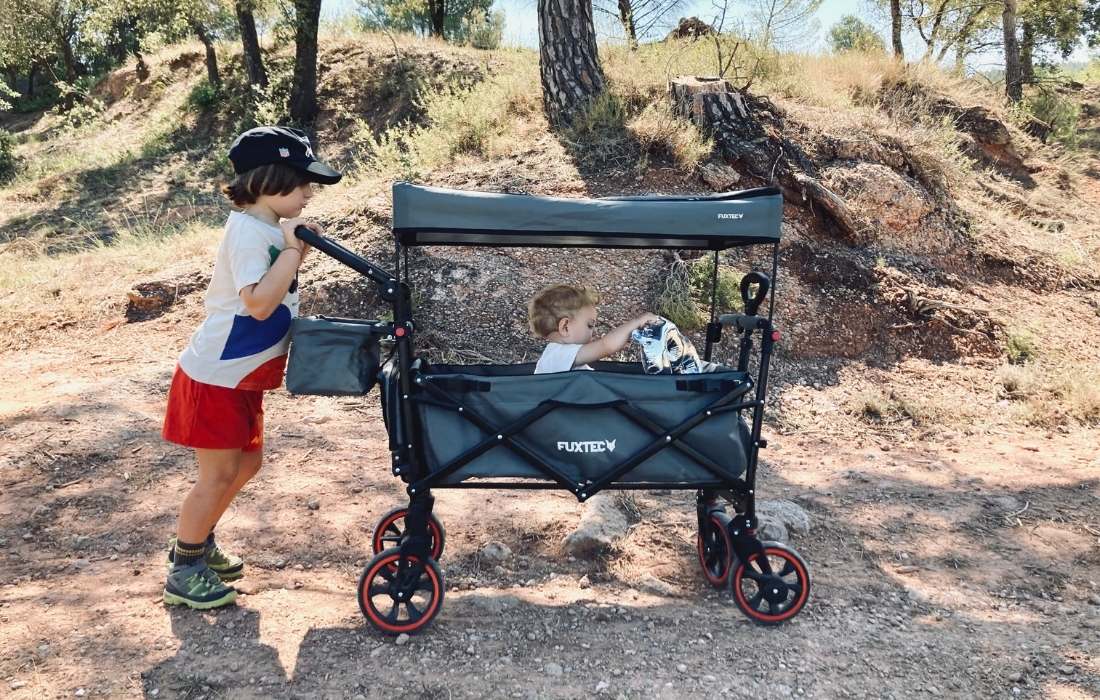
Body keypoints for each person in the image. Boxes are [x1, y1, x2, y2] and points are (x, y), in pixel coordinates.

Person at [160, 126, 342, 609]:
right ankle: (184, 568)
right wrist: (291, 251)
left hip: (242, 376)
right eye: (302, 183)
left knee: (246, 464)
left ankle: (196, 540)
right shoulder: (246, 231)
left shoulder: (269, 230)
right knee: (217, 475)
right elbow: (260, 303)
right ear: (268, 180)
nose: (308, 194)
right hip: (216, 375)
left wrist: (295, 249)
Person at [528, 284, 659, 374]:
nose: (593, 332)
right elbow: (606, 345)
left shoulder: (559, 356)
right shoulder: (557, 355)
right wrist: (637, 322)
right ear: (565, 327)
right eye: (590, 325)